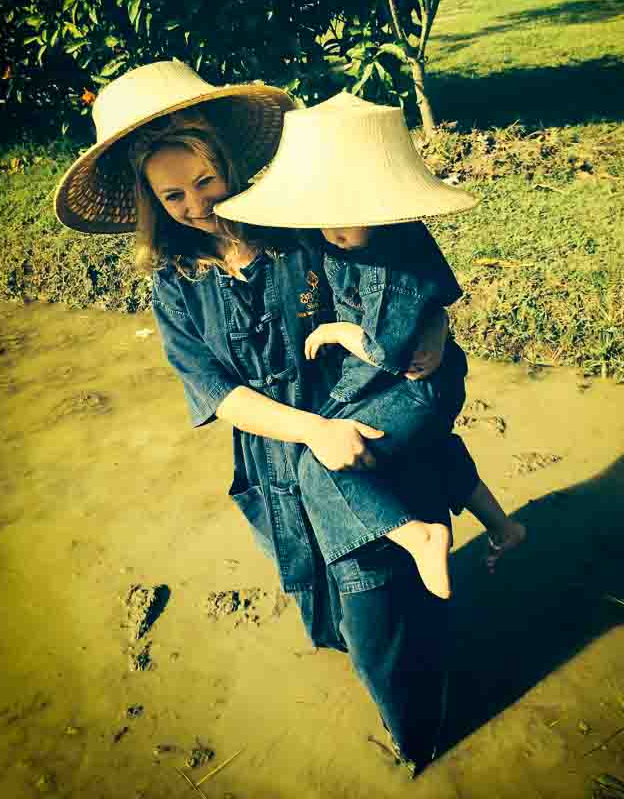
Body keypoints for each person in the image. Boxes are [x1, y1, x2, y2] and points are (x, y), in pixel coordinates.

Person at [53, 60, 466, 773]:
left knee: (379, 604)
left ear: (230, 164)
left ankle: (421, 741)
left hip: (363, 431)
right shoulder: (175, 284)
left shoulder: (298, 223)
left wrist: (432, 329)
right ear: (152, 199)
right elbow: (217, 391)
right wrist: (312, 432)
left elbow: (390, 247)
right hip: (280, 460)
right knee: (327, 607)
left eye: (205, 183)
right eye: (173, 194)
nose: (193, 204)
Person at [213, 92, 526, 601]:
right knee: (434, 448)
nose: (332, 231)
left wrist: (337, 337)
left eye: (345, 219)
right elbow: (444, 293)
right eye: (323, 219)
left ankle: (418, 536)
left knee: (321, 465)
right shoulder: (341, 239)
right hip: (405, 382)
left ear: (382, 211)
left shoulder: (390, 260)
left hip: (415, 382)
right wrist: (438, 319)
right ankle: (503, 526)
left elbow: (390, 350)